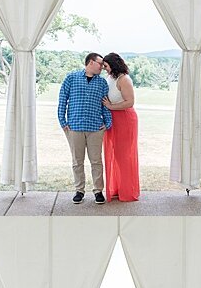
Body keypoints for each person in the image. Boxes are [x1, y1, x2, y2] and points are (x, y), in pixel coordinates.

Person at [58, 53, 113, 205]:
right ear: (90, 62)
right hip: (75, 127)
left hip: (95, 128)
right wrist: (63, 122)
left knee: (96, 161)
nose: (102, 67)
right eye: (100, 63)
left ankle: (98, 191)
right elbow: (63, 100)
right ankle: (79, 190)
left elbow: (105, 105)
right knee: (77, 161)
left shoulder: (102, 83)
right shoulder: (71, 78)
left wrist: (107, 123)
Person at [101, 53, 140, 202]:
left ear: (113, 64)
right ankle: (117, 188)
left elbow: (130, 102)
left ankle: (127, 191)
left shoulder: (124, 79)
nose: (104, 68)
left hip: (125, 119)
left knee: (124, 156)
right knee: (115, 155)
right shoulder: (111, 78)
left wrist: (111, 106)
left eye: (106, 66)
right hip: (112, 119)